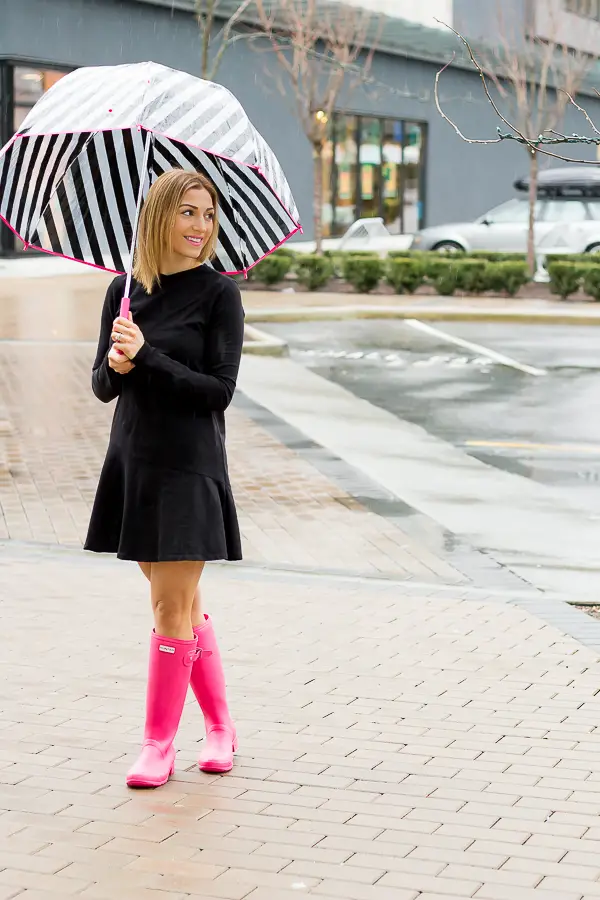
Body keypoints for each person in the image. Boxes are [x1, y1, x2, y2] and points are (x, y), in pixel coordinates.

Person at [84, 169, 244, 789]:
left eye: (208, 215)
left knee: (168, 604)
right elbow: (102, 386)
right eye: (187, 213)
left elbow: (218, 393)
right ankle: (223, 727)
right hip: (134, 459)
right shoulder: (122, 291)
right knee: (183, 602)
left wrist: (148, 355)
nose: (200, 227)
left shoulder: (218, 294)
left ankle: (158, 745)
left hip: (189, 463)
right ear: (158, 217)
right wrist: (120, 363)